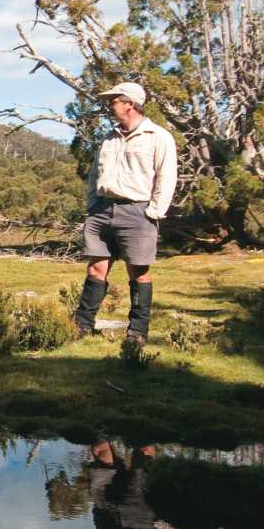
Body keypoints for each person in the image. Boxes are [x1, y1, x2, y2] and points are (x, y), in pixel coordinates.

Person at [70, 81, 177, 347]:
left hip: (137, 211)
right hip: (102, 210)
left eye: (114, 100)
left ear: (130, 104)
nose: (109, 105)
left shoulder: (158, 136)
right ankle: (81, 326)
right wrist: (93, 204)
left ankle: (137, 332)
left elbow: (166, 176)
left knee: (138, 271)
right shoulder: (109, 138)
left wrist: (154, 211)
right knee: (95, 268)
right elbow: (95, 173)